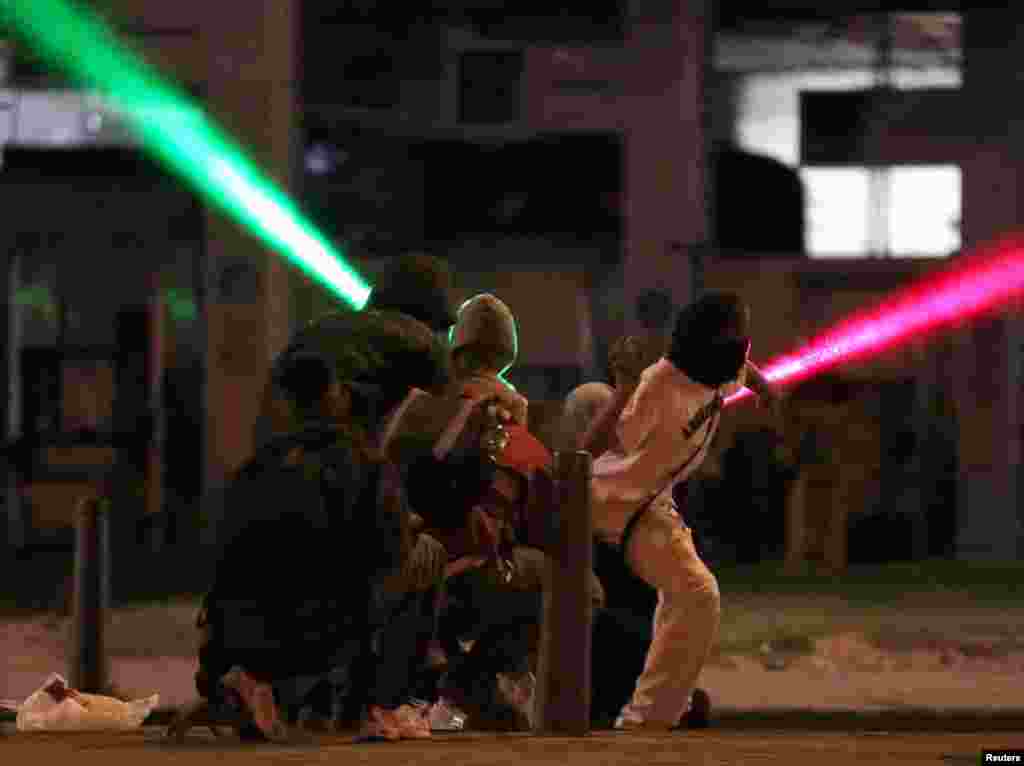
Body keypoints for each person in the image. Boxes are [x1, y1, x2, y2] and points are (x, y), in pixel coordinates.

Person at [581, 292, 781, 732]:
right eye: (739, 341)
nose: (744, 350)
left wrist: (763, 386)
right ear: (716, 348)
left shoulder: (717, 374)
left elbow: (742, 373)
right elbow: (591, 449)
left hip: (653, 503)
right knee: (694, 591)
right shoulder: (657, 387)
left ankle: (652, 714)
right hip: (613, 504)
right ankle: (646, 717)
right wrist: (624, 389)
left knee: (697, 594)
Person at [430, 293, 605, 730]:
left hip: (410, 569)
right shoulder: (517, 438)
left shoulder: (423, 410)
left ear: (456, 349)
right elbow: (549, 530)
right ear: (508, 357)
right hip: (472, 577)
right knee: (583, 588)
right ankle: (472, 678)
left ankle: (455, 680)